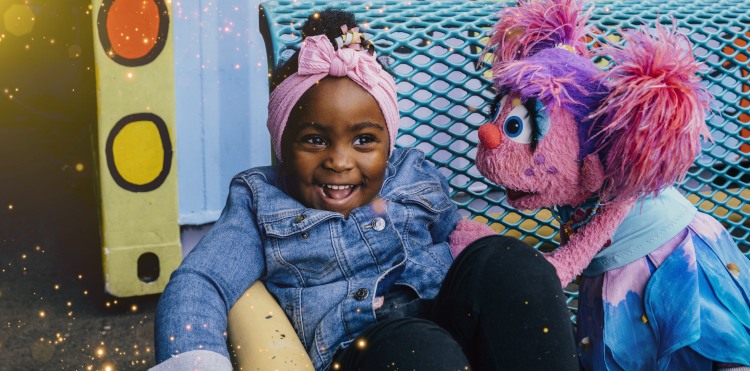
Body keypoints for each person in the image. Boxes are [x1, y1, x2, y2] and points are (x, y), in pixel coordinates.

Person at [153, 8, 578, 371]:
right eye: (315, 140)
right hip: (366, 350)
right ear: (282, 143)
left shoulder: (411, 171)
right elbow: (201, 282)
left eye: (363, 140)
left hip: (449, 324)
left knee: (506, 260)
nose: (339, 161)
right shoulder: (261, 200)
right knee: (419, 348)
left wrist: (503, 268)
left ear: (388, 143)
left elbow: (460, 239)